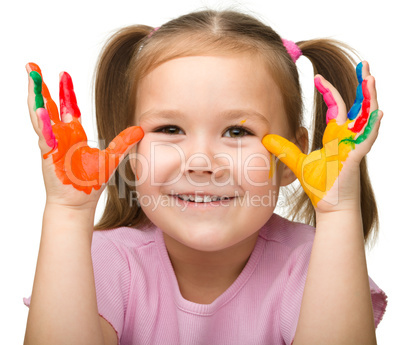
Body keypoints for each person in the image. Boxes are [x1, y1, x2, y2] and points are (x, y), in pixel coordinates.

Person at [23, 9, 387, 345]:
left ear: (291, 159)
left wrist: (338, 212)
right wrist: (68, 214)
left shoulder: (314, 262)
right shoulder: (102, 261)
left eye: (236, 132)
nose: (200, 162)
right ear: (132, 154)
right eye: (169, 128)